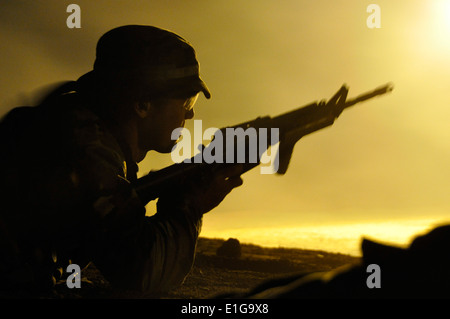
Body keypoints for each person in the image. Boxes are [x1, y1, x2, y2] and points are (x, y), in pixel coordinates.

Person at [0, 25, 243, 295]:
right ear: (142, 104)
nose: (191, 115)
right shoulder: (86, 151)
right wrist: (189, 206)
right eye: (186, 101)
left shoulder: (73, 126)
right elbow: (143, 273)